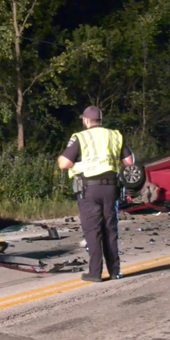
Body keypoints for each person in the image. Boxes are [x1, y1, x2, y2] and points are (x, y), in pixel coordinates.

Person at [57, 106, 134, 282]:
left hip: (89, 189)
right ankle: (115, 271)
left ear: (85, 120)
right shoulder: (115, 135)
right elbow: (130, 162)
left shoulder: (80, 137)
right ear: (101, 120)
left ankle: (95, 273)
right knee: (110, 229)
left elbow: (64, 164)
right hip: (111, 189)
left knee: (93, 231)